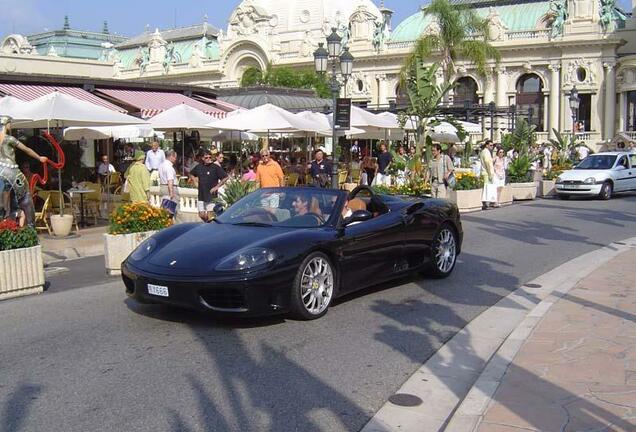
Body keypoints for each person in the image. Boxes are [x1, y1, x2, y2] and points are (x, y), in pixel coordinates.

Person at [0, 116, 48, 225]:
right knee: (26, 197)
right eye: (10, 124)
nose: (10, 126)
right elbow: (26, 150)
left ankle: (7, 224)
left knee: (5, 201)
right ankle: (31, 227)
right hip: (11, 173)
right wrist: (39, 158)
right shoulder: (9, 139)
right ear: (6, 124)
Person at [190, 149, 228, 222]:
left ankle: (209, 226)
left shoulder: (215, 167)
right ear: (202, 158)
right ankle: (207, 223)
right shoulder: (198, 167)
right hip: (201, 195)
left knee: (210, 215)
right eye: (206, 157)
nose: (208, 159)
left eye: (210, 157)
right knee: (201, 214)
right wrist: (195, 181)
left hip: (211, 195)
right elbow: (191, 174)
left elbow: (225, 177)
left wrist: (216, 187)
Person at [159, 149, 178, 214]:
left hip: (163, 187)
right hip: (169, 188)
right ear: (171, 156)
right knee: (173, 210)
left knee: (165, 208)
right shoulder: (169, 167)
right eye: (175, 157)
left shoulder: (161, 165)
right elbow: (170, 180)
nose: (175, 159)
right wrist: (171, 192)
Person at [480, 140, 496, 210]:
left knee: (487, 188)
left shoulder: (485, 152)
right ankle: (486, 204)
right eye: (490, 145)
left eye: (492, 145)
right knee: (487, 189)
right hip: (486, 173)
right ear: (486, 145)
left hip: (486, 172)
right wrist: (490, 173)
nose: (492, 147)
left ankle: (487, 203)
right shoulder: (486, 152)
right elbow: (487, 162)